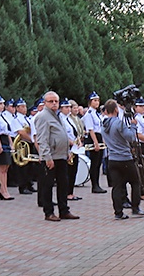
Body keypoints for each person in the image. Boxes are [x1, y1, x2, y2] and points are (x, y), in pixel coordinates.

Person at [35, 91, 79, 222]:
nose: (54, 103)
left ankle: (64, 210)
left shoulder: (58, 116)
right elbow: (42, 139)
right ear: (45, 103)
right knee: (48, 185)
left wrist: (67, 151)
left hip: (61, 156)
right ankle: (48, 212)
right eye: (51, 101)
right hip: (51, 157)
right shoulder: (43, 116)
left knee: (63, 184)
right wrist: (47, 157)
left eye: (56, 101)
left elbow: (62, 134)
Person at [101, 99, 144, 220]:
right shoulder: (118, 123)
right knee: (135, 182)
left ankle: (118, 212)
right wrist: (133, 126)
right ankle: (135, 208)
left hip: (112, 158)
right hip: (124, 158)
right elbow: (131, 137)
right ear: (116, 110)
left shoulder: (103, 125)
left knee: (117, 186)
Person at [82, 92, 106, 194]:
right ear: (90, 102)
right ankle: (94, 185)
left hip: (99, 137)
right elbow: (91, 129)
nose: (97, 102)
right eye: (95, 100)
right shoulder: (89, 114)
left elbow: (100, 128)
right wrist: (96, 142)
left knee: (98, 163)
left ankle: (97, 184)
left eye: (98, 100)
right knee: (95, 163)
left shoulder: (97, 114)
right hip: (94, 138)